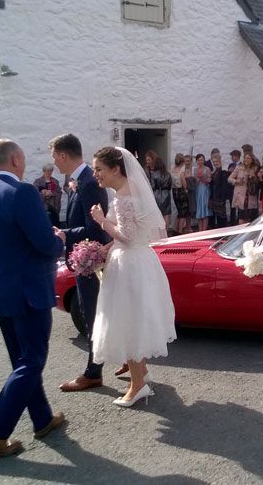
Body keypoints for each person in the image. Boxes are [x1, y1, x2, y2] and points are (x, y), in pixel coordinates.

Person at [0, 139, 66, 457]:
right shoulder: (22, 191)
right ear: (14, 160)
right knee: (32, 360)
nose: (24, 165)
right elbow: (42, 242)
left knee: (22, 360)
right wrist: (58, 240)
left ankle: (42, 419)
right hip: (29, 290)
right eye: (23, 160)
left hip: (0, 289)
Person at [89, 147, 176, 407]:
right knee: (136, 318)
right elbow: (136, 235)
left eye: (99, 169)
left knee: (129, 321)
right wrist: (102, 250)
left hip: (130, 264)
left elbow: (126, 236)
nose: (96, 175)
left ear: (115, 168)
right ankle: (142, 373)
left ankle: (138, 386)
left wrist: (101, 221)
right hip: (139, 260)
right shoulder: (126, 191)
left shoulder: (124, 196)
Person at [50, 133, 110, 392]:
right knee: (95, 313)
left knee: (92, 315)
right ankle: (128, 361)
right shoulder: (81, 180)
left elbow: (94, 229)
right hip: (83, 255)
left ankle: (93, 372)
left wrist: (65, 234)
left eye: (55, 158)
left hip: (88, 258)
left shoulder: (87, 183)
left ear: (64, 155)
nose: (54, 164)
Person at [228, 152, 260, 224]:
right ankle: (241, 232)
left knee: (250, 217)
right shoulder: (239, 168)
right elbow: (229, 179)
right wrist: (236, 181)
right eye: (245, 158)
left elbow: (258, 182)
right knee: (241, 216)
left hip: (251, 195)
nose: (246, 160)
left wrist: (253, 177)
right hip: (241, 195)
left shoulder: (255, 169)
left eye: (248, 158)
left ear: (252, 160)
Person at [145, 150, 172, 229]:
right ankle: (165, 230)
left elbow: (152, 186)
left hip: (156, 194)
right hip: (166, 194)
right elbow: (170, 185)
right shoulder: (167, 173)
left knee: (157, 213)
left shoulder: (153, 174)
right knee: (166, 214)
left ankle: (158, 231)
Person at [210, 154, 230, 228]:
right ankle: (219, 229)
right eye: (214, 162)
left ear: (220, 161)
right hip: (215, 196)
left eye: (216, 161)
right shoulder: (216, 171)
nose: (215, 163)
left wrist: (222, 198)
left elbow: (224, 185)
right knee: (217, 214)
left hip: (220, 197)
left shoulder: (223, 171)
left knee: (222, 215)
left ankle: (223, 230)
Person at [171, 153, 188, 235]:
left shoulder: (172, 168)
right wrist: (186, 189)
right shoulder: (182, 169)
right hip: (181, 191)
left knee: (179, 211)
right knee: (183, 212)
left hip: (174, 191)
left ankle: (175, 228)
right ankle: (180, 230)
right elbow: (183, 181)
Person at [194, 153, 212, 231]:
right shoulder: (195, 169)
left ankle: (204, 229)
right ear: (196, 161)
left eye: (201, 160)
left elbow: (210, 180)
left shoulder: (207, 169)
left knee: (204, 208)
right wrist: (197, 179)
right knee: (199, 208)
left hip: (205, 190)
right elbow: (194, 182)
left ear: (204, 160)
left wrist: (204, 179)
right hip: (198, 190)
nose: (200, 161)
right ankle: (200, 229)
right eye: (198, 160)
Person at [180, 155, 196, 233]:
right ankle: (185, 227)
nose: (187, 162)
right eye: (186, 161)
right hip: (185, 192)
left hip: (193, 192)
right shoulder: (182, 171)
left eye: (188, 161)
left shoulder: (193, 170)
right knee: (185, 210)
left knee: (190, 210)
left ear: (191, 161)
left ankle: (189, 226)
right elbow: (184, 184)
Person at [227, 150, 241, 225]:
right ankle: (232, 221)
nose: (232, 158)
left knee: (239, 205)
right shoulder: (231, 165)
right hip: (231, 189)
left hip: (238, 188)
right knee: (232, 206)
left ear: (237, 156)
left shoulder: (241, 165)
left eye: (233, 156)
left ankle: (238, 220)